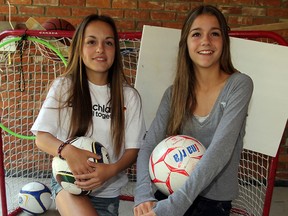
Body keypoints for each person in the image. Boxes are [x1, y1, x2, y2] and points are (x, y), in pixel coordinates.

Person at [133, 5, 253, 216]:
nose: (206, 41)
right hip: (170, 194)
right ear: (186, 43)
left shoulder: (239, 85)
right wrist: (143, 194)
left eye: (214, 33)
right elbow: (149, 145)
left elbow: (220, 151)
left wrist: (173, 208)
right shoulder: (174, 94)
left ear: (224, 41)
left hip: (212, 203)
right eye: (196, 34)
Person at [31, 14, 146, 216]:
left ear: (115, 51)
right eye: (91, 42)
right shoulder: (64, 87)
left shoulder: (129, 96)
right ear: (79, 48)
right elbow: (42, 138)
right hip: (68, 184)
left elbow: (133, 149)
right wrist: (68, 151)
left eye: (108, 43)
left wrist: (110, 170)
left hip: (107, 191)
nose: (100, 49)